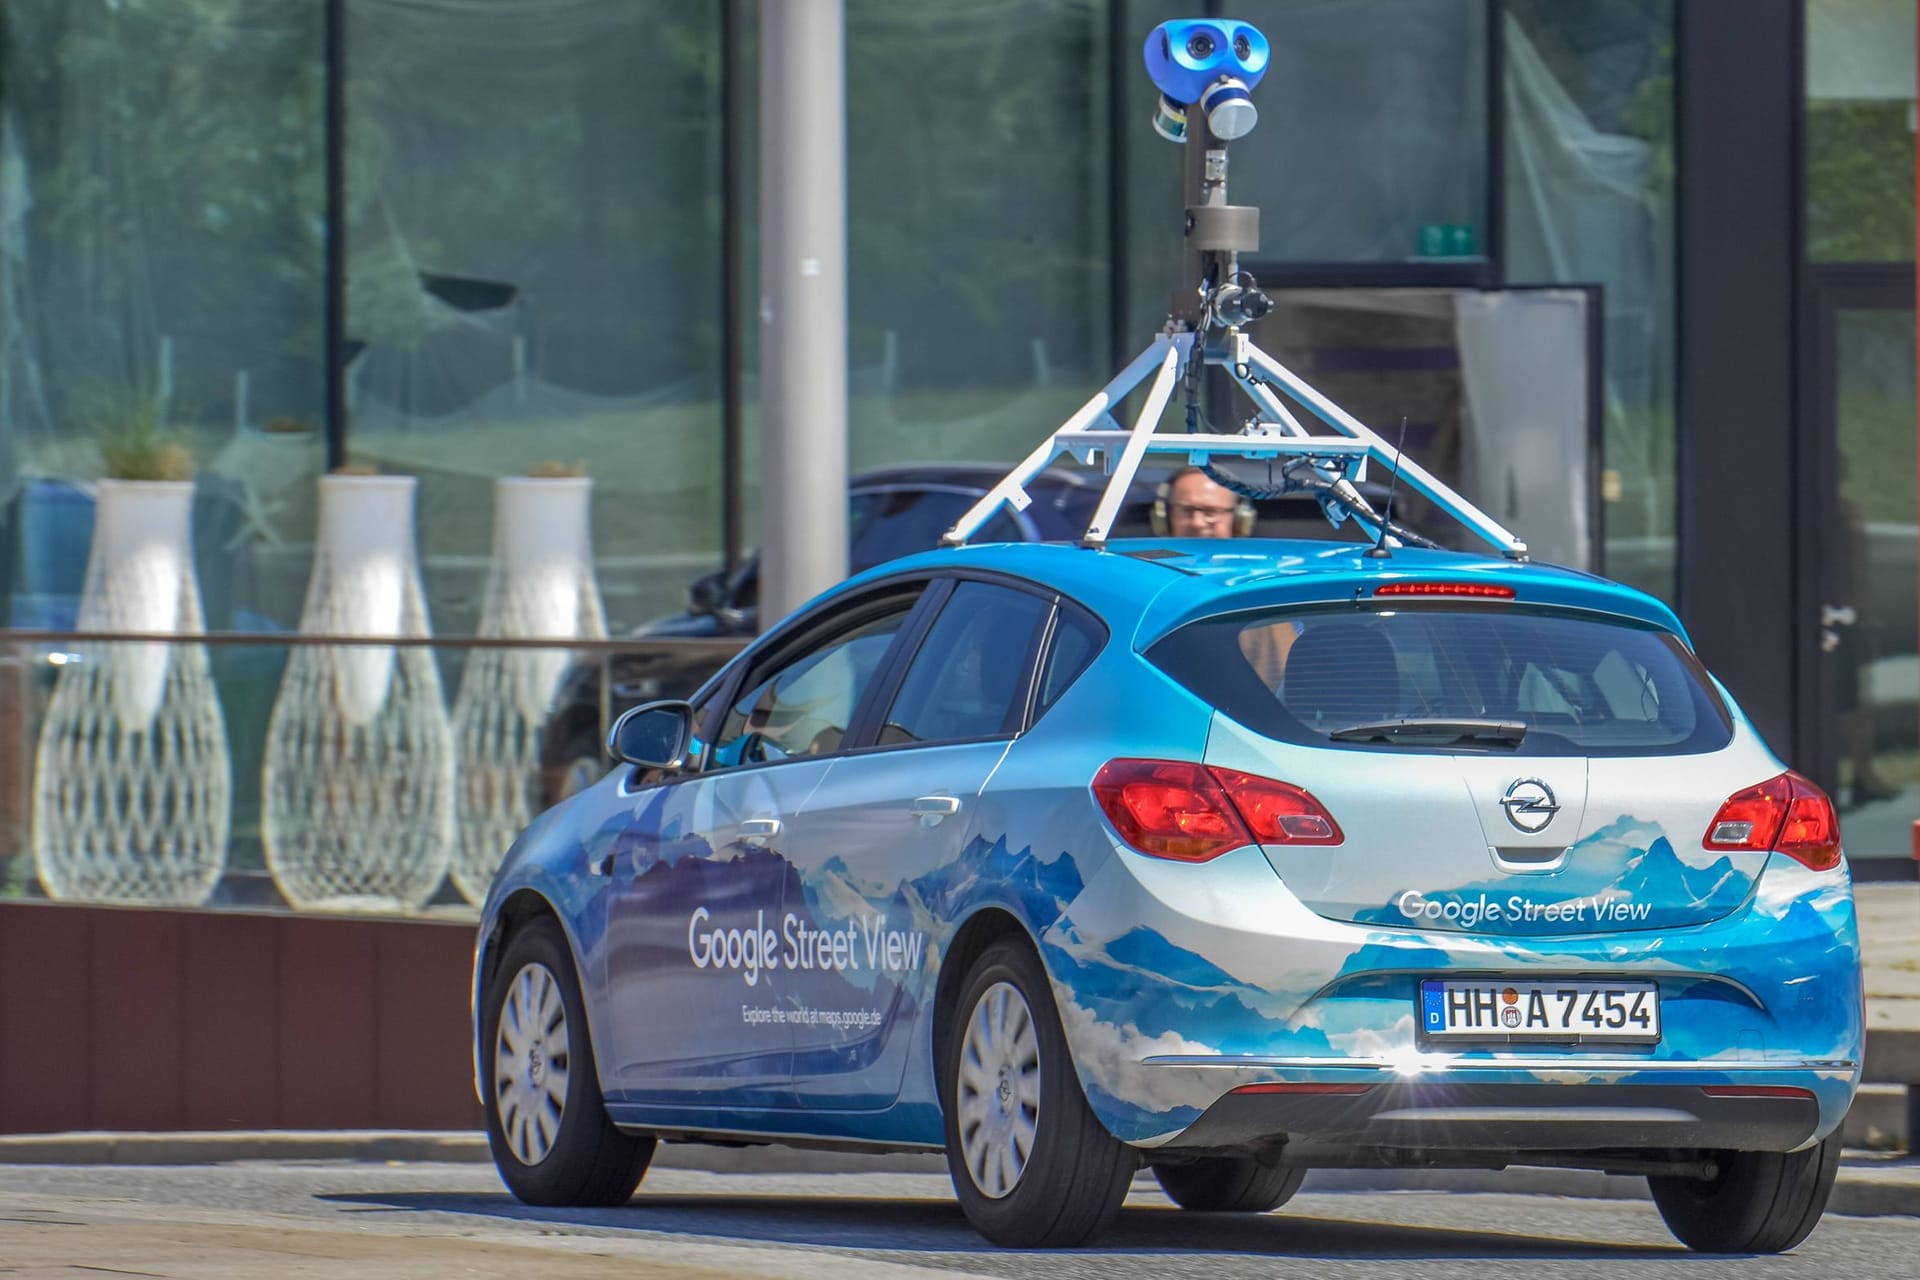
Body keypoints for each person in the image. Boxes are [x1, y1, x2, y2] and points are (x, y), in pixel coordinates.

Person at [1157, 466, 1296, 689]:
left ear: (1241, 519)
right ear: (1164, 517)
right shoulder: (1145, 586)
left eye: (1210, 512)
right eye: (1186, 510)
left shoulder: (1257, 598)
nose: (1197, 522)